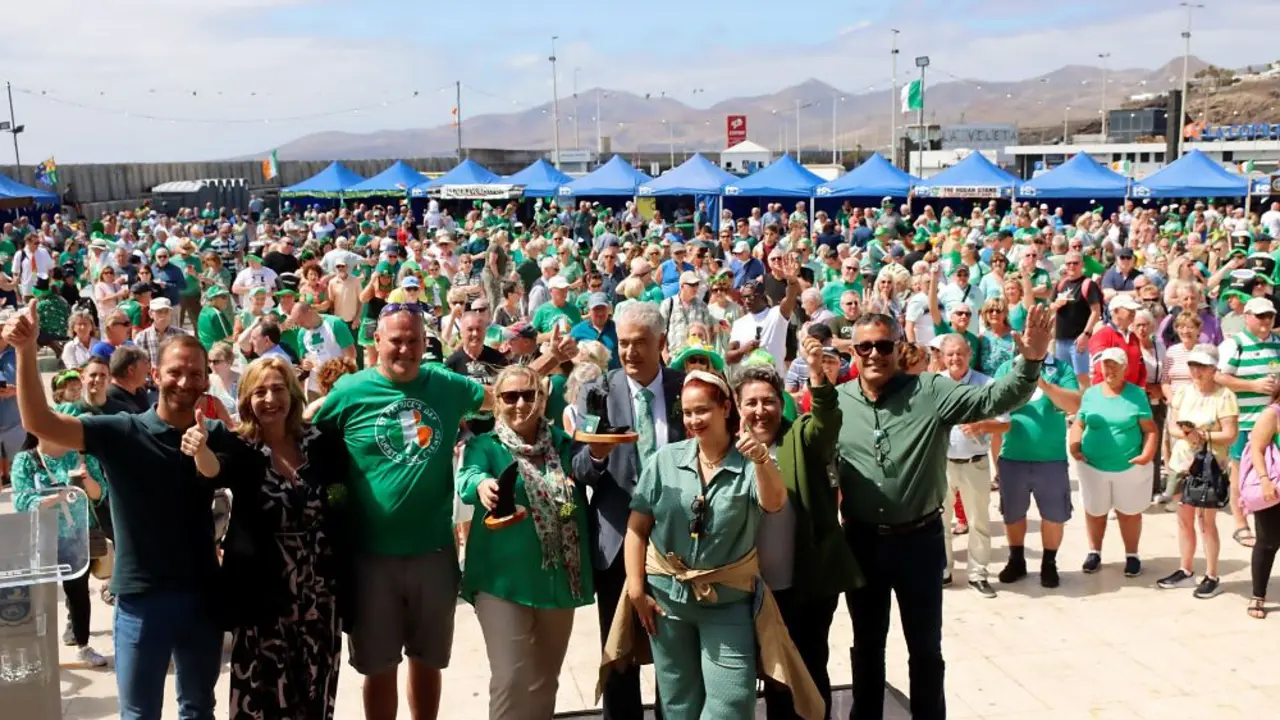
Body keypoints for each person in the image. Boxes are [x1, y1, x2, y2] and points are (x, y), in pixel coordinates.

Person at [311, 303, 572, 720]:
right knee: (378, 667)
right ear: (375, 342)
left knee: (428, 661)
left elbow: (501, 396)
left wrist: (551, 359)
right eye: (395, 340)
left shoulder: (445, 384)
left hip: (433, 553)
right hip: (370, 557)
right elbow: (306, 431)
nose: (405, 349)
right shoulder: (350, 392)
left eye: (413, 340)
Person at [4, 304, 241, 720]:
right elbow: (39, 422)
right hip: (140, 599)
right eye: (175, 371)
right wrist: (25, 350)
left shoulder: (216, 434)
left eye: (195, 372)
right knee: (138, 714)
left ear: (207, 378)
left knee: (199, 708)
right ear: (155, 375)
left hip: (202, 597)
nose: (186, 381)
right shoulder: (121, 431)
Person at [835, 306, 1053, 720]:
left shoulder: (931, 391)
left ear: (899, 348)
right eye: (864, 346)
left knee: (925, 650)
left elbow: (994, 398)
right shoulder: (840, 401)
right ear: (853, 351)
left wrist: (1031, 361)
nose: (874, 354)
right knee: (866, 645)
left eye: (883, 345)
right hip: (862, 543)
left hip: (919, 541)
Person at [614, 370, 797, 719]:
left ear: (726, 408)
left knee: (732, 702)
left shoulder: (752, 461)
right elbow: (637, 528)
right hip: (666, 601)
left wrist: (760, 459)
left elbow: (774, 504)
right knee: (678, 703)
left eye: (702, 410)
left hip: (727, 601)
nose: (693, 420)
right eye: (687, 412)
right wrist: (636, 589)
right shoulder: (664, 460)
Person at [455, 365, 593, 720]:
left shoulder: (563, 443)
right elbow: (469, 477)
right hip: (501, 582)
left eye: (528, 395)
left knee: (545, 679)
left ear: (543, 399)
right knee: (511, 678)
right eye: (509, 396)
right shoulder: (486, 446)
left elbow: (589, 466)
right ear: (497, 402)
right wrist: (482, 485)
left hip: (557, 579)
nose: (520, 403)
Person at [571, 300, 687, 720]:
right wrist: (597, 455)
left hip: (678, 542)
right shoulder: (597, 392)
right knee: (619, 653)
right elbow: (579, 468)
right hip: (618, 541)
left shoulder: (684, 388)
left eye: (640, 342)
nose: (631, 352)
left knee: (674, 654)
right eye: (623, 343)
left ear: (661, 342)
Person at [735, 340, 860, 720]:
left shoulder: (800, 437)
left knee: (805, 674)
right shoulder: (727, 450)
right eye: (751, 403)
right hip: (750, 593)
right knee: (767, 679)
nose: (760, 411)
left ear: (781, 403)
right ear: (737, 408)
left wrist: (818, 375)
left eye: (768, 401)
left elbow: (826, 423)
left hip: (804, 587)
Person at [222, 356, 352, 720]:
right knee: (260, 697)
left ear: (293, 395)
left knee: (313, 692)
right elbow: (211, 472)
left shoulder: (324, 444)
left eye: (278, 389)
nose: (269, 399)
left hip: (319, 595)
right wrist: (200, 451)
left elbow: (340, 502)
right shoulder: (239, 447)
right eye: (259, 391)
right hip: (261, 595)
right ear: (246, 399)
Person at [9, 431, 110, 667]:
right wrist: (56, 498)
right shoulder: (26, 460)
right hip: (40, 538)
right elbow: (22, 502)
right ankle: (36, 651)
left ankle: (82, 644)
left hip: (78, 537)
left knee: (78, 593)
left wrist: (87, 482)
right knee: (39, 597)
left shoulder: (82, 458)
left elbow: (99, 495)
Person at [1070, 347, 1159, 577]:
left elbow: (1150, 429)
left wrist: (1147, 454)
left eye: (1114, 365)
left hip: (1128, 465)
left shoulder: (1137, 394)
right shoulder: (1090, 394)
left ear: (1125, 368)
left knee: (1129, 512)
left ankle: (1132, 555)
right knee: (1095, 510)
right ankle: (1094, 552)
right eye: (1105, 365)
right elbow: (1079, 423)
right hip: (1092, 465)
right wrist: (1075, 446)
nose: (1109, 369)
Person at [1156, 347, 1237, 599]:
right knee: (1184, 519)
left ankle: (1212, 574)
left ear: (1214, 369)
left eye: (1202, 366)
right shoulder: (1184, 392)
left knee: (1206, 522)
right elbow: (1173, 427)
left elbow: (1230, 434)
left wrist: (1201, 435)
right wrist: (1188, 434)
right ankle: (1186, 569)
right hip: (1183, 463)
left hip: (1209, 467)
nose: (1196, 371)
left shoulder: (1225, 396)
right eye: (1193, 365)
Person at [938, 334, 1009, 597]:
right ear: (943, 357)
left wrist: (981, 425)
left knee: (979, 522)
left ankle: (978, 574)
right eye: (950, 354)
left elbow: (1005, 423)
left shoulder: (986, 384)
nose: (955, 358)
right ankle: (943, 571)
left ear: (969, 354)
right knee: (940, 521)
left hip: (974, 464)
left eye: (960, 353)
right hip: (941, 464)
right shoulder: (935, 384)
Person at [1216, 297, 1280, 550]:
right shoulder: (1235, 344)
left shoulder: (1278, 344)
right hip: (1244, 420)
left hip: (1273, 420)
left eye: (1269, 316)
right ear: (1247, 317)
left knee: (1272, 471)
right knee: (1240, 473)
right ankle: (1241, 524)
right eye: (1260, 316)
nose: (1265, 321)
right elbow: (1221, 376)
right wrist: (1252, 386)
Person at [1244, 388, 1280, 619]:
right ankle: (1258, 594)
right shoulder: (1272, 413)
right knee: (1267, 542)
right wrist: (1264, 480)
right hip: (1275, 486)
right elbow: (1256, 448)